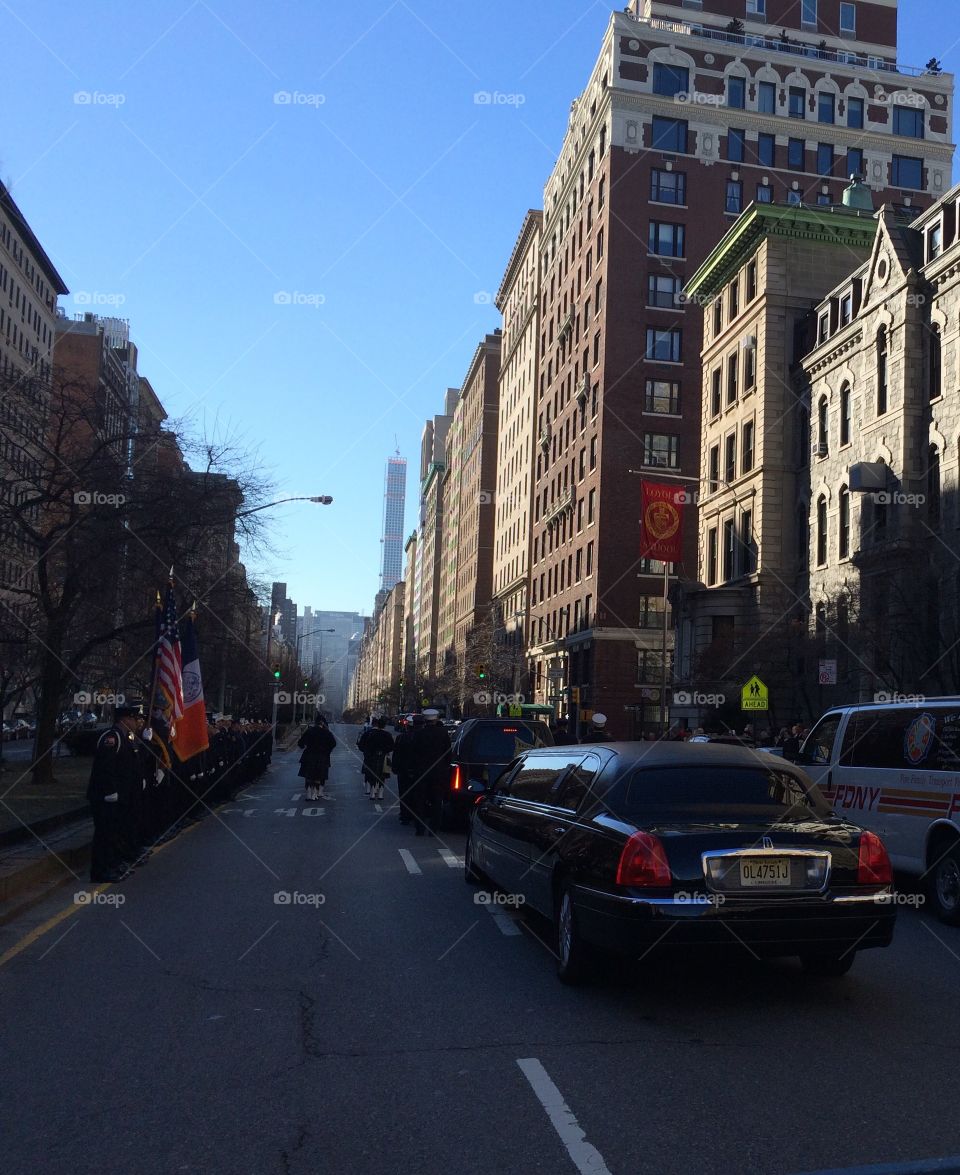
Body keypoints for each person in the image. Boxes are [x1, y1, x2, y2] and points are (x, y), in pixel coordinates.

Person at [86, 701, 146, 882]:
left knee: (115, 832)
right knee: (105, 834)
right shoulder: (112, 737)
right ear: (125, 719)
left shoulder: (126, 737)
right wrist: (110, 790)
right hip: (106, 797)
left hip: (121, 796)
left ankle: (113, 864)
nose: (137, 723)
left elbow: (131, 766)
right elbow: (105, 768)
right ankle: (100, 871)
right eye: (134, 719)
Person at [409, 709, 451, 836]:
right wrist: (444, 767)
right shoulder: (443, 734)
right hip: (438, 773)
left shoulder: (418, 734)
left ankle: (420, 828)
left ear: (425, 720)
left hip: (421, 773)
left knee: (419, 801)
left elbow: (413, 754)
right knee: (437, 800)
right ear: (436, 719)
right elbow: (448, 753)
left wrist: (413, 769)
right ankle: (434, 828)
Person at [392, 713, 422, 824]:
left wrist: (395, 768)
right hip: (418, 770)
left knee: (404, 793)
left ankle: (405, 815)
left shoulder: (401, 738)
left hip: (403, 770)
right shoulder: (422, 738)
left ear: (407, 726)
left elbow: (396, 754)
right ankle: (416, 814)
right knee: (417, 793)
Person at [298, 715, 336, 801]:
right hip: (322, 756)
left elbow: (300, 743)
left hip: (309, 755)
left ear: (315, 722)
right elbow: (333, 743)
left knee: (308, 775)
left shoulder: (309, 731)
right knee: (318, 776)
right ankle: (315, 793)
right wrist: (327, 750)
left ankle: (308, 793)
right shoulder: (327, 732)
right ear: (322, 723)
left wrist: (304, 746)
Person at [358, 716, 394, 801]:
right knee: (382, 775)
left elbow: (361, 745)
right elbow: (392, 747)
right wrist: (385, 751)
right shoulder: (387, 735)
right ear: (385, 725)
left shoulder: (369, 733)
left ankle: (372, 792)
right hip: (383, 756)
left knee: (372, 773)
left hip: (371, 756)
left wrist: (367, 753)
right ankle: (380, 793)